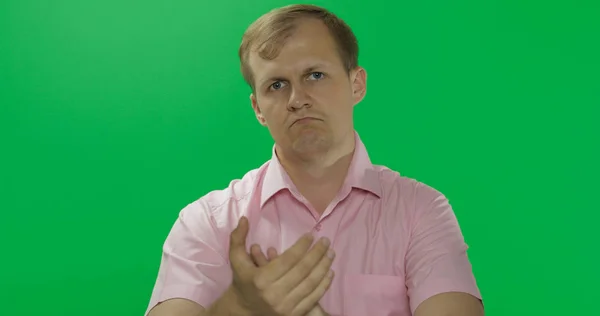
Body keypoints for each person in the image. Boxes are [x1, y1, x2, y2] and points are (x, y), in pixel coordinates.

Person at [145, 4, 484, 316]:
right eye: (277, 84)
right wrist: (237, 307)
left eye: (315, 76)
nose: (297, 99)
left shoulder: (420, 212)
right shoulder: (206, 223)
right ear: (258, 109)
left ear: (357, 84)